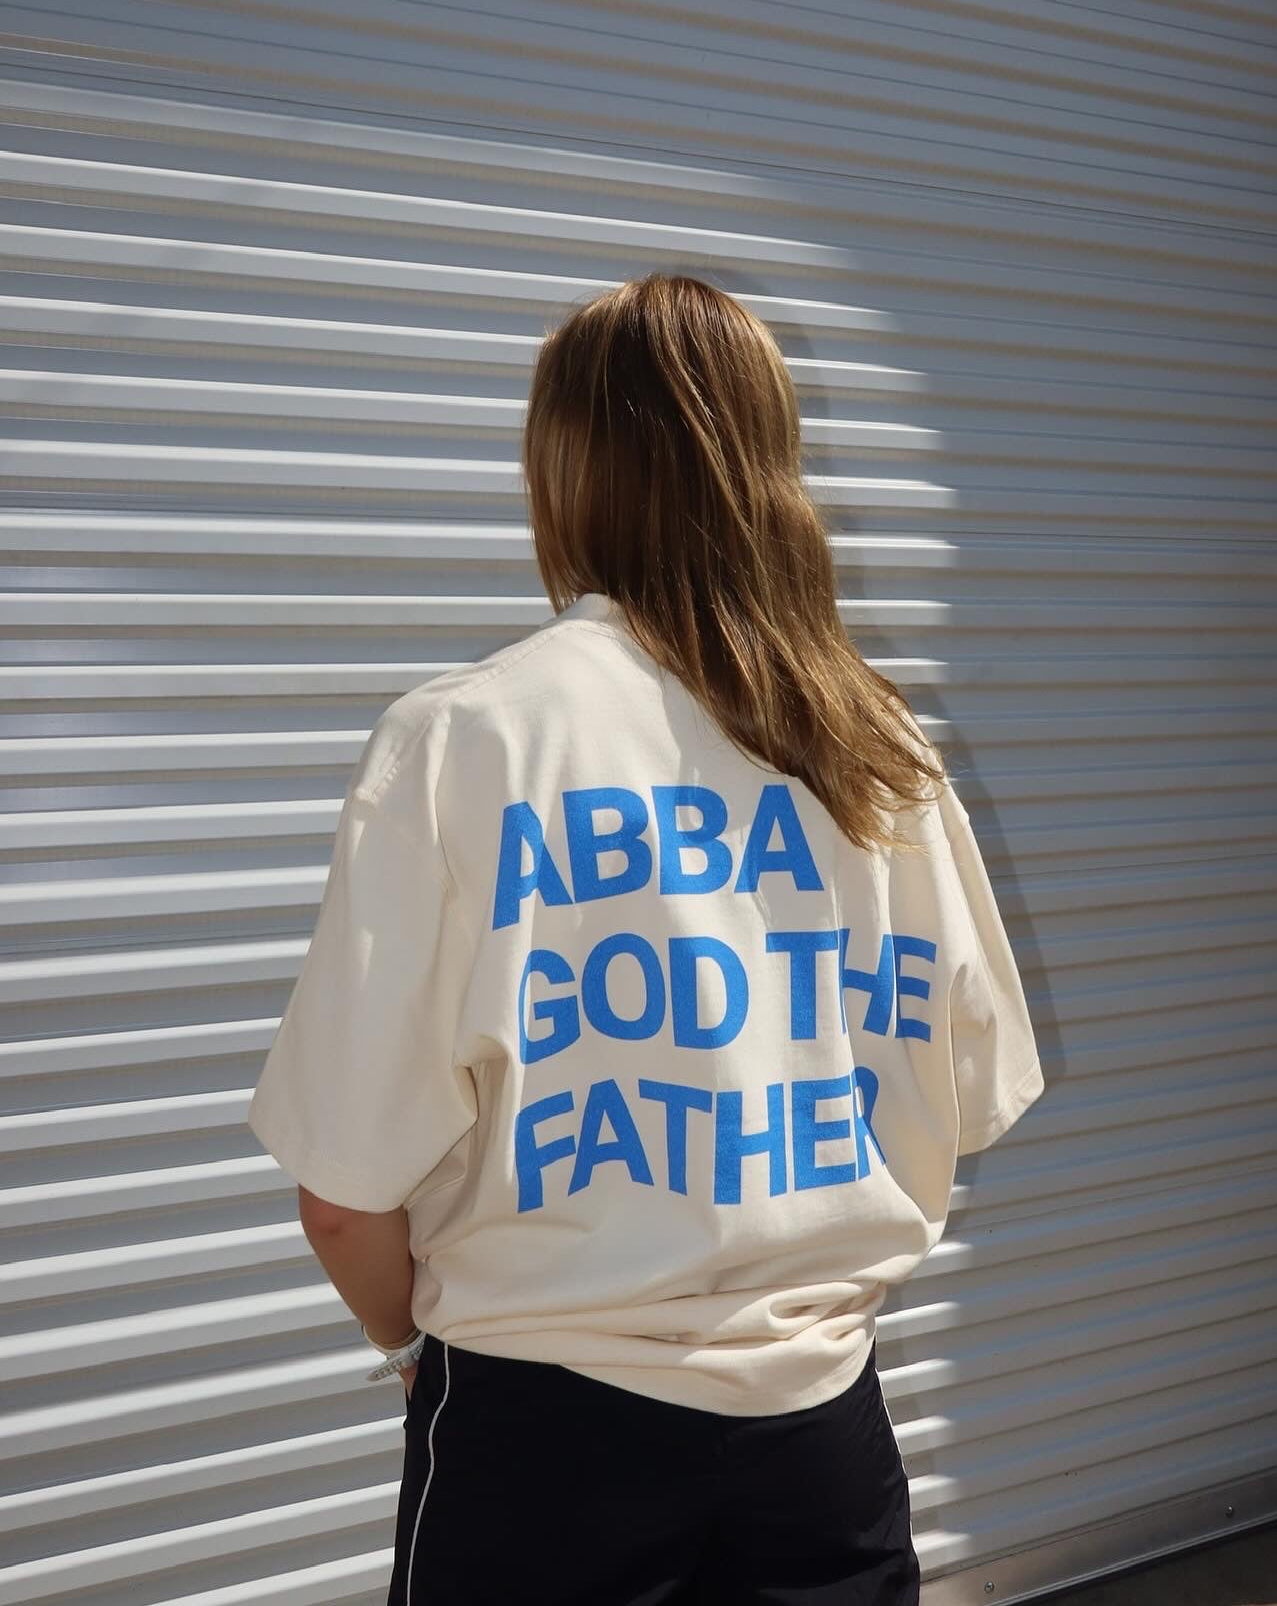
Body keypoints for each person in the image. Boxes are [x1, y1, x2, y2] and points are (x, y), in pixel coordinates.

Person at [246, 272, 1046, 1605]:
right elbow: (965, 1091)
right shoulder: (884, 752)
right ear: (774, 464)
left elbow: (343, 1198)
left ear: (565, 471)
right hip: (823, 1446)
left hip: (541, 1442)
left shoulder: (468, 741)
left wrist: (414, 1349)